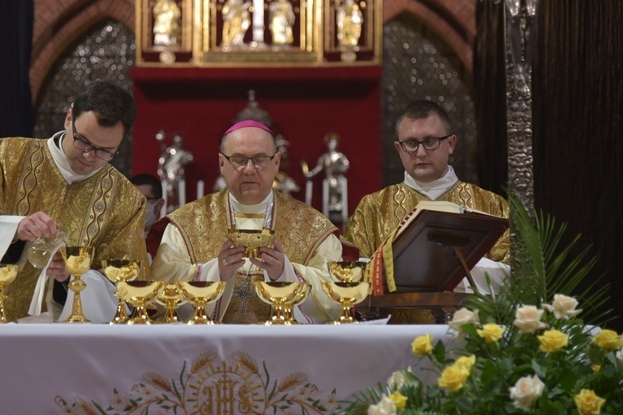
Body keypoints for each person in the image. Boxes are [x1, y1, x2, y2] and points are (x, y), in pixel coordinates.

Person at [0, 80, 150, 323]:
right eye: (82, 141)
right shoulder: (6, 156)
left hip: (58, 345)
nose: (88, 156)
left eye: (105, 151)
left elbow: (128, 294)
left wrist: (71, 277)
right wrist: (13, 228)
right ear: (69, 118)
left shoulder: (126, 200)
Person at [149, 120, 342, 324]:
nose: (249, 169)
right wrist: (215, 273)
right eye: (239, 160)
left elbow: (336, 298)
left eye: (260, 159)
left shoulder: (313, 226)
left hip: (285, 350)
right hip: (209, 351)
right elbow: (161, 290)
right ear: (222, 163)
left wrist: (285, 273)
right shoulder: (186, 223)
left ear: (276, 162)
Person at [342, 100, 510, 323]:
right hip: (394, 345)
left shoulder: (491, 205)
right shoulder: (372, 208)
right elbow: (352, 278)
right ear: (398, 149)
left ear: (450, 144)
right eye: (411, 143)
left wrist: (444, 268)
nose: (420, 152)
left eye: (430, 142)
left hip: (471, 344)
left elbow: (515, 278)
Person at [303, 132, 350, 223]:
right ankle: (332, 204)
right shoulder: (325, 157)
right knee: (330, 185)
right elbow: (319, 168)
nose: (332, 145)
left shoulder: (340, 156)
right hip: (329, 179)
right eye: (330, 143)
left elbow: (346, 166)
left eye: (334, 143)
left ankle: (337, 205)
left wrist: (337, 168)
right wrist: (310, 174)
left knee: (337, 186)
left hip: (339, 178)